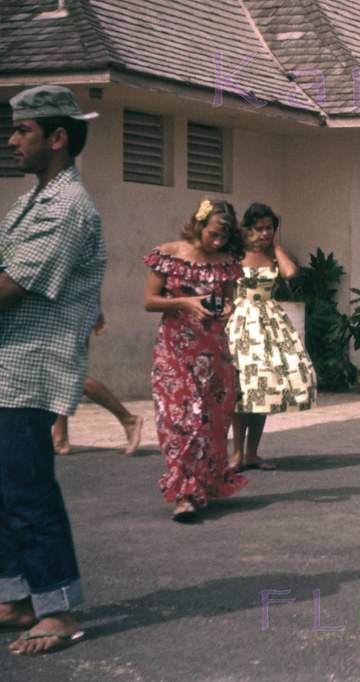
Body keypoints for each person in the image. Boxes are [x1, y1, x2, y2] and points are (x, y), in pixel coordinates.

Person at [0, 85, 104, 655]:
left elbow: (9, 286)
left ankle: (57, 608)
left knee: (26, 488)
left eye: (24, 131)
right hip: (6, 363)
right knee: (3, 486)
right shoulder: (30, 202)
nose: (12, 140)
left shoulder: (66, 207)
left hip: (31, 366)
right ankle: (17, 597)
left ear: (57, 138)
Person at [143, 198, 247, 522]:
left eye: (224, 238)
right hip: (174, 352)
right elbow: (149, 301)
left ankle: (204, 485)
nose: (218, 242)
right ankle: (185, 494)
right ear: (199, 225)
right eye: (213, 234)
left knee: (211, 424)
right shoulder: (168, 254)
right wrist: (186, 303)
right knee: (182, 420)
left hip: (213, 352)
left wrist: (226, 309)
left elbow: (228, 303)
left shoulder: (227, 262)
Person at [228, 203, 316, 471]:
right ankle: (237, 453)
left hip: (269, 322)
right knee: (242, 386)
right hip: (242, 320)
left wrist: (275, 246)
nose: (264, 233)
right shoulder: (236, 254)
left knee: (265, 386)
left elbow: (290, 273)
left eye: (269, 229)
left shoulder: (275, 255)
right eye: (259, 229)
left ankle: (253, 452)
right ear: (248, 229)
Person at [51, 309, 144, 456]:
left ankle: (128, 419)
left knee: (69, 375)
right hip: (70, 314)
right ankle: (60, 438)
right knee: (61, 375)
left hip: (66, 316)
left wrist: (96, 312)